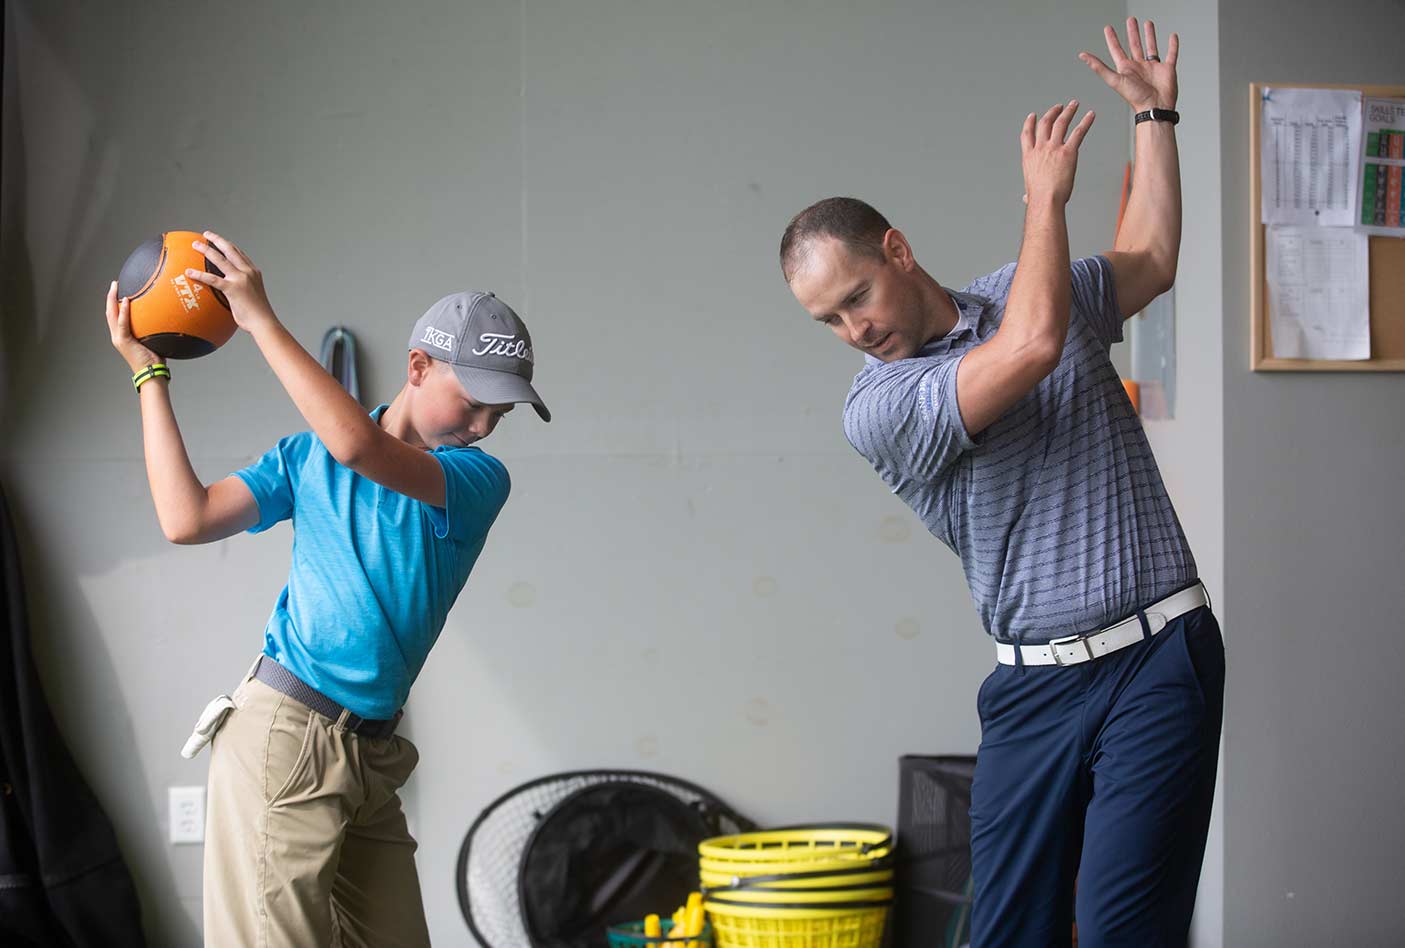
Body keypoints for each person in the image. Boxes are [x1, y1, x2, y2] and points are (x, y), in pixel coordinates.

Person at [778, 18, 1222, 947]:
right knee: (1006, 935)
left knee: (1122, 933)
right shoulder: (881, 406)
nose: (852, 331)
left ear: (897, 250)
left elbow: (1151, 261)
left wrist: (1155, 117)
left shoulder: (1032, 285)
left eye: (854, 298)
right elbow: (1030, 346)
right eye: (828, 321)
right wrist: (1043, 201)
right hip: (1034, 689)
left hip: (1159, 658)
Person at [104, 231, 550, 947]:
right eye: (472, 402)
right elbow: (185, 518)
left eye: (500, 414)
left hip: (371, 758)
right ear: (416, 366)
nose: (483, 426)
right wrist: (147, 376)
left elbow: (361, 448)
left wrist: (260, 321)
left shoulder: (475, 480)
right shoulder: (306, 455)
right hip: (284, 737)